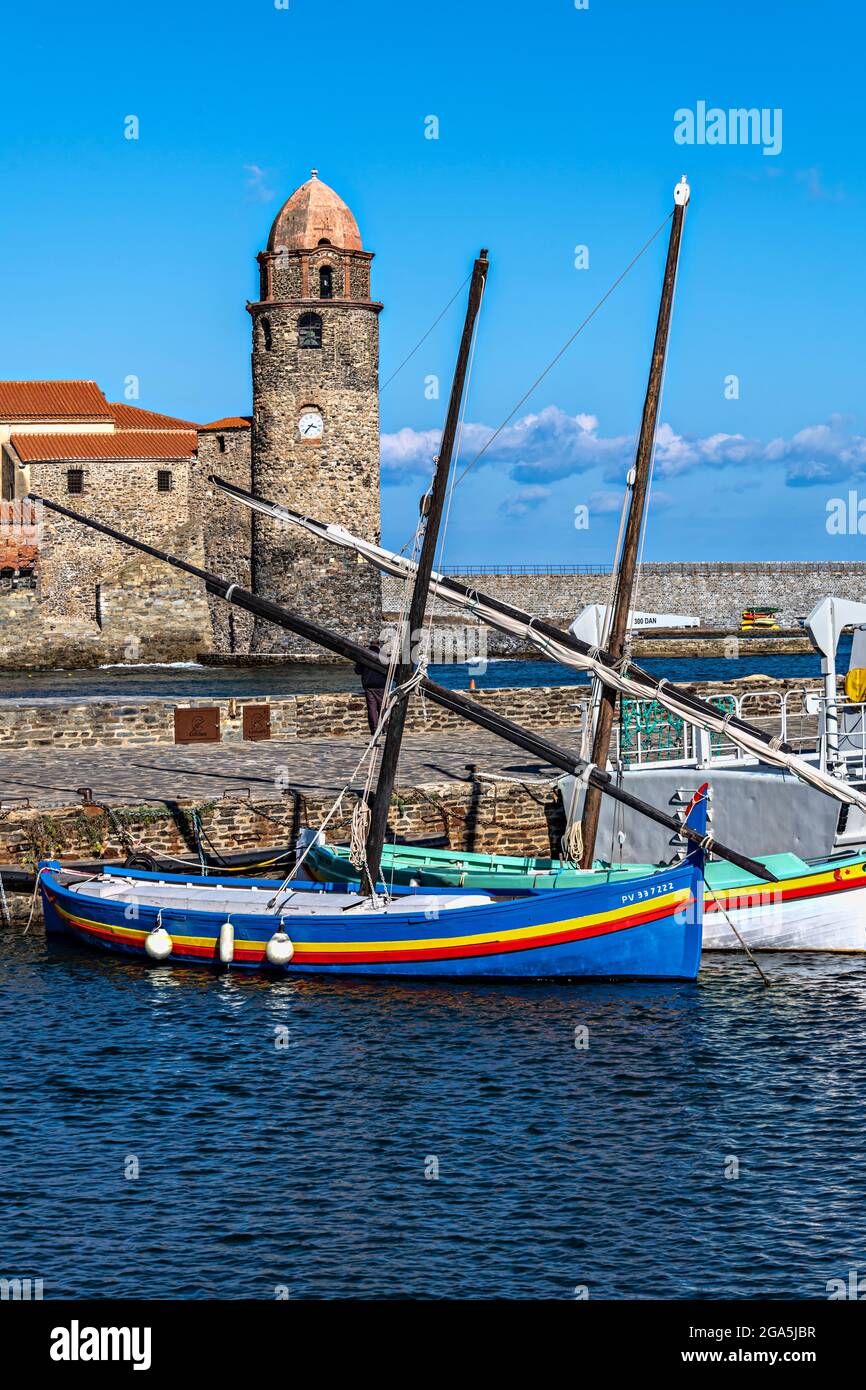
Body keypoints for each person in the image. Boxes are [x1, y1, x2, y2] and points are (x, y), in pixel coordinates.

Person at [355, 639, 388, 734]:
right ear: (379, 645)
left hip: (368, 685)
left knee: (372, 708)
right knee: (382, 707)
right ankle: (384, 728)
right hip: (381, 685)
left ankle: (374, 729)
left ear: (370, 644)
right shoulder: (383, 655)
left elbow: (358, 671)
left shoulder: (364, 654)